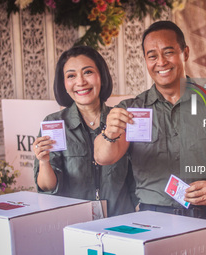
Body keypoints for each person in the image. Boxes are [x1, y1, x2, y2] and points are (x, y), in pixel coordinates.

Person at [94, 21, 206, 222]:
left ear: (185, 53)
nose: (161, 62)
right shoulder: (131, 110)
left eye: (168, 52)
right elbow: (103, 157)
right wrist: (109, 133)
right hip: (152, 220)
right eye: (152, 56)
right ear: (146, 60)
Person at [33, 45, 136, 217]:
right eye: (71, 76)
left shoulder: (120, 119)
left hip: (122, 222)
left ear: (101, 76)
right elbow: (47, 187)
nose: (80, 82)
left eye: (88, 72)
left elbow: (137, 176)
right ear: (64, 84)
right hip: (75, 223)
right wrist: (44, 162)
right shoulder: (54, 123)